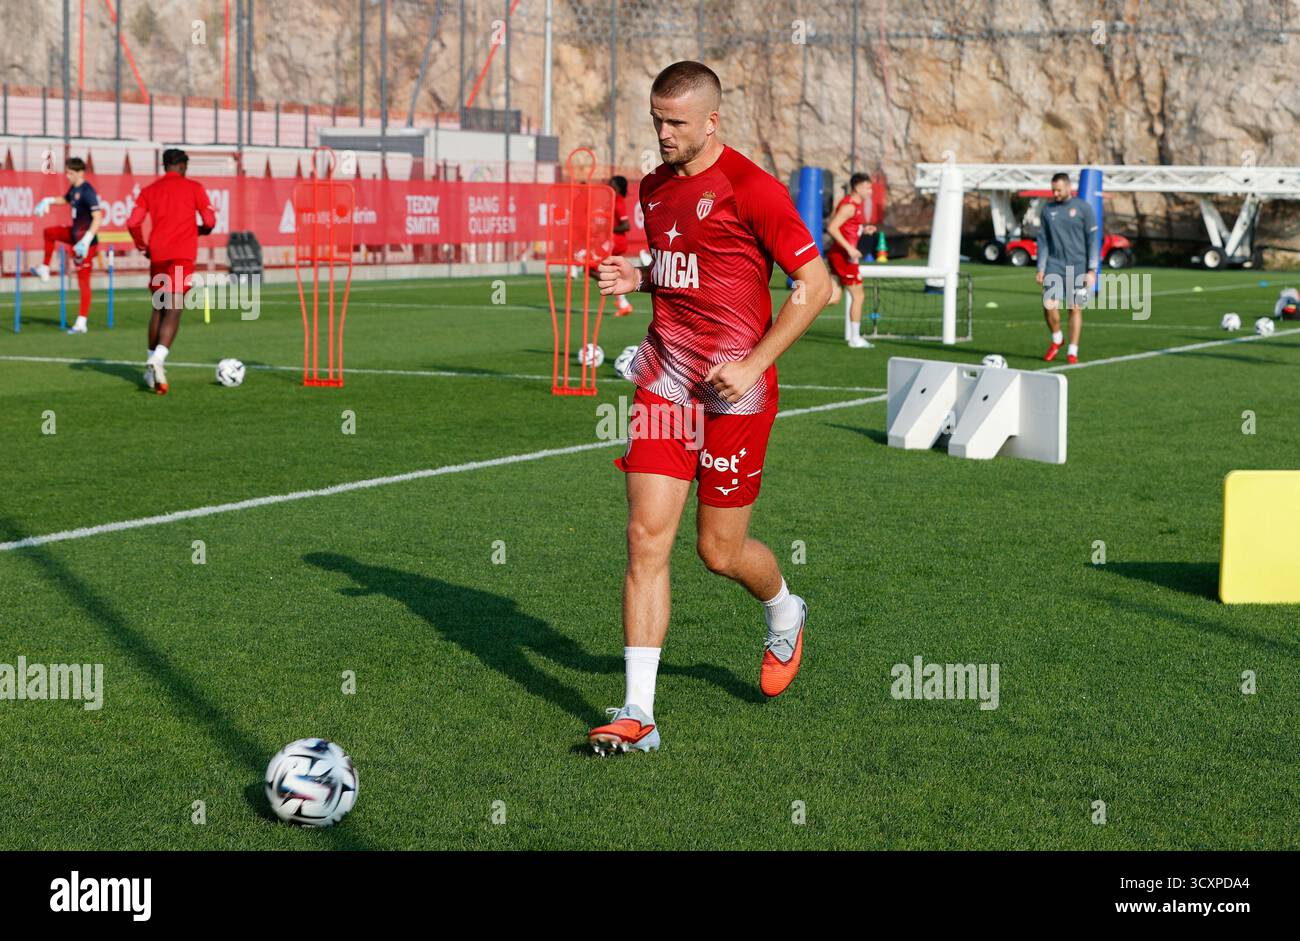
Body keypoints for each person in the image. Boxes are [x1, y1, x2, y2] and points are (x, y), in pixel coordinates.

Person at [591, 61, 832, 755]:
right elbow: (676, 266)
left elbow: (815, 288)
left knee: (717, 551)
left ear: (711, 121)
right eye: (656, 120)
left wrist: (753, 363)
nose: (662, 134)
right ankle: (639, 712)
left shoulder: (752, 189)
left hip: (739, 396)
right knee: (645, 537)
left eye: (676, 123)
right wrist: (634, 273)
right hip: (665, 382)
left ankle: (785, 608)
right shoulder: (654, 188)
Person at [126, 148, 217, 395]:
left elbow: (133, 222)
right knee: (175, 307)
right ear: (184, 165)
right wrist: (200, 230)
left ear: (164, 166)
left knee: (159, 306)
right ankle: (159, 357)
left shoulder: (149, 191)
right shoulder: (194, 187)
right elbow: (209, 222)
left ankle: (149, 366)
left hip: (158, 254)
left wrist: (142, 245)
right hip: (181, 254)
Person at [31, 156, 104, 334]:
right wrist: (48, 200)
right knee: (49, 232)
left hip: (86, 243)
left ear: (80, 172)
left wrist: (86, 241)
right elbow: (65, 199)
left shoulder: (88, 191)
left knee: (83, 281)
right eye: (66, 172)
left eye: (70, 173)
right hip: (74, 234)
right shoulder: (75, 188)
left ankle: (81, 322)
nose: (67, 176)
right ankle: (45, 268)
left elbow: (98, 217)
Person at [1036, 172, 1098, 364]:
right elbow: (1043, 240)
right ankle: (1057, 339)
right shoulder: (1047, 210)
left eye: (1058, 190)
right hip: (1055, 264)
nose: (1055, 193)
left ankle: (1073, 350)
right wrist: (1041, 267)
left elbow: (1093, 240)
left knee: (1075, 307)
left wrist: (1092, 269)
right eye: (1053, 189)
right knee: (1049, 304)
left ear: (1069, 188)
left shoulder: (1083, 208)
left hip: (1078, 266)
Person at [823, 172, 878, 348]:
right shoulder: (849, 206)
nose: (870, 191)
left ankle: (798, 309)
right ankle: (855, 339)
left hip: (839, 255)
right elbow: (832, 228)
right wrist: (850, 249)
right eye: (868, 187)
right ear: (858, 187)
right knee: (859, 296)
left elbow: (849, 229)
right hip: (844, 258)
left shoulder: (856, 205)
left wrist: (863, 229)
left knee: (833, 298)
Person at [608, 175, 634, 316]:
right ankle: (623, 302)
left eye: (610, 183)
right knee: (609, 272)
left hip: (615, 242)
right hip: (612, 241)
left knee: (591, 267)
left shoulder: (618, 201)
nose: (608, 185)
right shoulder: (612, 199)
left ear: (617, 187)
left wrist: (607, 229)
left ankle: (622, 299)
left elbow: (626, 226)